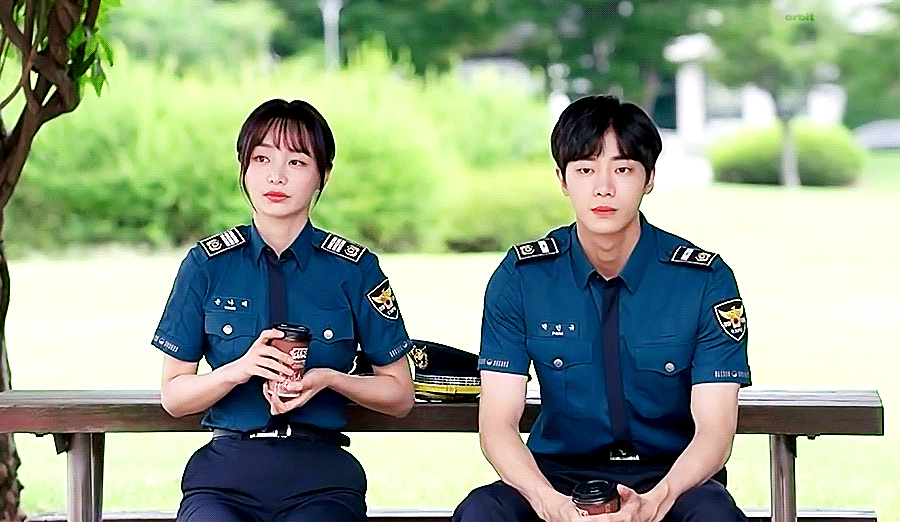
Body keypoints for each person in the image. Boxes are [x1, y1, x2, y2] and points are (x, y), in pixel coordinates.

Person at [453, 95, 751, 522]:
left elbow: (715, 433)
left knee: (714, 516)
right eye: (585, 170)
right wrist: (549, 503)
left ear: (649, 178)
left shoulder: (704, 280)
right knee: (483, 512)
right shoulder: (522, 277)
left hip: (672, 479)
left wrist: (655, 502)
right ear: (562, 179)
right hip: (557, 476)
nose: (604, 187)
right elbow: (498, 426)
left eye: (623, 169)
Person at [152, 98, 415, 522]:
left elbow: (400, 394)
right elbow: (175, 396)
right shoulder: (206, 265)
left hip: (321, 477)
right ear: (244, 168)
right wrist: (240, 369)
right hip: (225, 475)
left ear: (322, 175)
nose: (276, 176)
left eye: (296, 162)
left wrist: (329, 379)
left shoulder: (354, 269)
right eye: (261, 159)